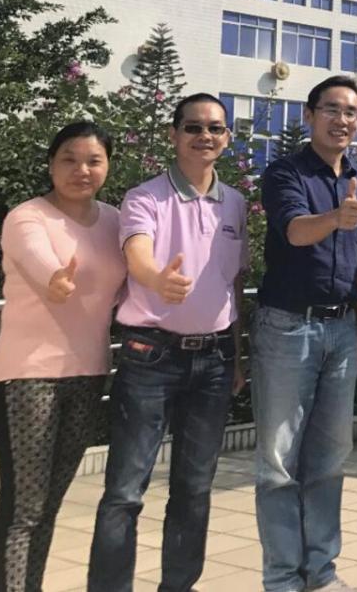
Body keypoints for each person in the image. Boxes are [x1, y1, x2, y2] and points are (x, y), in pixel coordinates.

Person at [87, 94, 248, 592]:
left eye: (216, 129)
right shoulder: (144, 197)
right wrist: (157, 279)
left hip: (217, 359)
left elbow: (234, 284)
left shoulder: (237, 203)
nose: (205, 136)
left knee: (194, 490)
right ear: (173, 134)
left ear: (226, 138)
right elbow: (136, 253)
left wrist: (238, 354)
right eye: (194, 127)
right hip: (150, 356)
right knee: (125, 491)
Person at [0, 121, 124, 592]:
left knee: (49, 504)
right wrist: (55, 280)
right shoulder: (28, 216)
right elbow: (37, 259)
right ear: (50, 163)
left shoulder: (114, 221)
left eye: (93, 160)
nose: (81, 169)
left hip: (88, 373)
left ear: (107, 166)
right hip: (29, 375)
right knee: (24, 508)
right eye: (68, 158)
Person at [254, 74, 357, 592]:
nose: (342, 120)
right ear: (309, 115)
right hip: (287, 326)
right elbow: (296, 231)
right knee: (280, 462)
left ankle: (321, 573)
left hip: (343, 330)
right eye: (332, 109)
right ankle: (283, 578)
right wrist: (337, 217)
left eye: (351, 112)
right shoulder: (284, 172)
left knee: (329, 459)